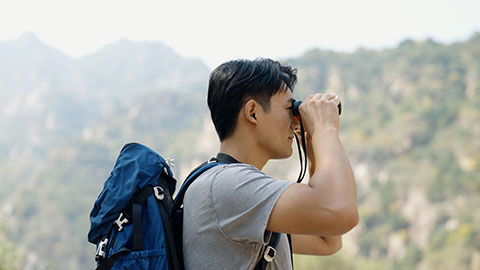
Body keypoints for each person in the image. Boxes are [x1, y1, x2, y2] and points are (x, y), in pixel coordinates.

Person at [182, 58, 358, 270]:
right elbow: (340, 213)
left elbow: (326, 238)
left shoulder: (234, 193)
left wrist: (313, 149)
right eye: (290, 109)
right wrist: (325, 129)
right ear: (253, 112)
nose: (295, 122)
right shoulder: (225, 185)